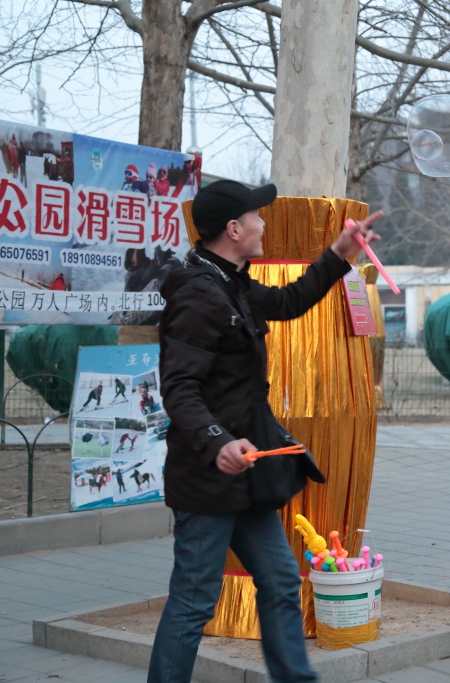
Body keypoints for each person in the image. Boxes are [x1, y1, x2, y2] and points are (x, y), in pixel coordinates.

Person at [147, 178, 383, 683]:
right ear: (234, 229)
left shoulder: (231, 282)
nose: (263, 223)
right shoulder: (198, 296)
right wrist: (218, 442)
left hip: (248, 476)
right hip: (209, 479)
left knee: (278, 581)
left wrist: (340, 253)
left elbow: (291, 301)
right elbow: (180, 390)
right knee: (194, 603)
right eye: (257, 215)